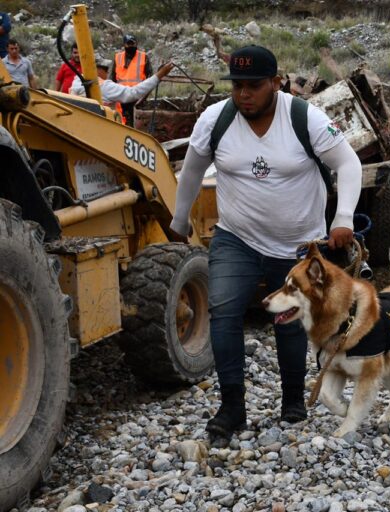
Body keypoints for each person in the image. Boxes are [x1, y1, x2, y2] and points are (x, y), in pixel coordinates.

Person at [169, 46, 362, 440]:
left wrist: (343, 219)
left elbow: (348, 163)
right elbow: (191, 171)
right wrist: (179, 218)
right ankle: (232, 406)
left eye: (254, 86)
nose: (244, 95)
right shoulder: (216, 119)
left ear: (276, 82)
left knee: (289, 323)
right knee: (223, 312)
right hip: (236, 238)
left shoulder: (303, 118)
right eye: (237, 86)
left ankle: (292, 399)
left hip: (297, 246)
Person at [70, 58, 173, 114]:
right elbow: (132, 93)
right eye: (105, 70)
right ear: (96, 69)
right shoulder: (104, 86)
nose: (107, 73)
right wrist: (159, 75)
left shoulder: (77, 81)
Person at [110, 34, 152, 126]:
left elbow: (150, 77)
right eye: (128, 44)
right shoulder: (118, 57)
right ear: (124, 45)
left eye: (132, 43)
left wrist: (144, 95)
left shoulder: (143, 57)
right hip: (121, 96)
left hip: (137, 96)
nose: (130, 46)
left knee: (137, 123)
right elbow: (113, 78)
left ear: (136, 44)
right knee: (121, 122)